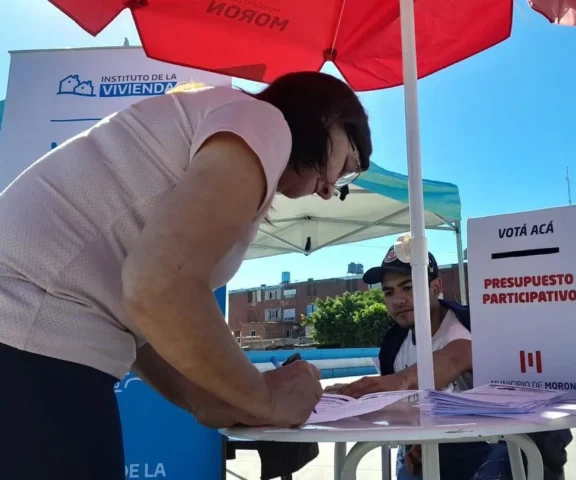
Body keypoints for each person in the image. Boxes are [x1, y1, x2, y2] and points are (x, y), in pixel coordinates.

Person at [0, 71, 372, 480]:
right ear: (330, 115)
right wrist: (264, 396)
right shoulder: (263, 121)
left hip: (32, 345)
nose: (331, 189)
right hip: (30, 343)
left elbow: (143, 311)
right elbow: (160, 285)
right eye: (347, 167)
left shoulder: (224, 121)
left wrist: (214, 397)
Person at [330, 247, 572, 480]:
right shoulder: (394, 344)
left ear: (435, 287)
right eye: (389, 292)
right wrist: (348, 396)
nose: (398, 300)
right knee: (410, 460)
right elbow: (400, 407)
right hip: (435, 446)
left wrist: (400, 381)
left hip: (506, 443)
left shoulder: (467, 325)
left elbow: (457, 356)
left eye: (408, 287)